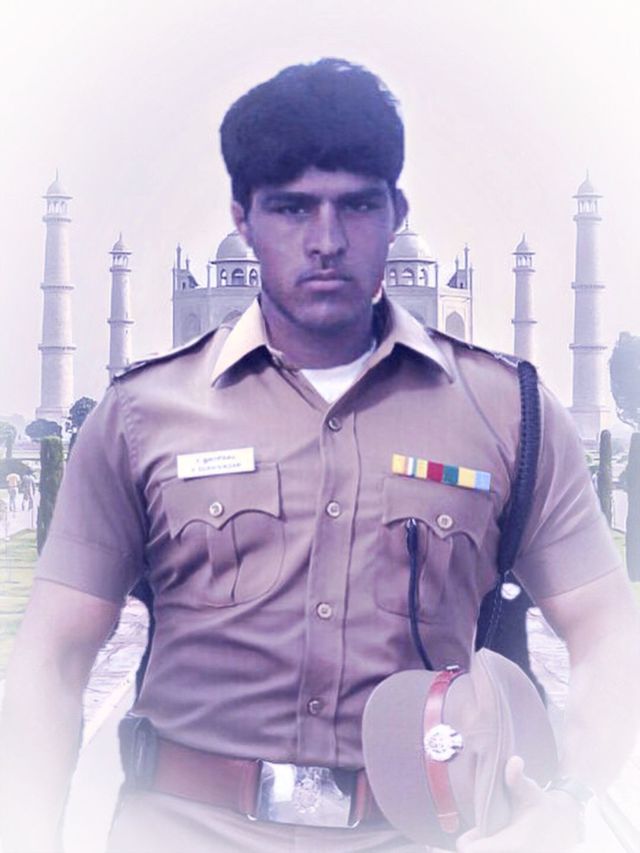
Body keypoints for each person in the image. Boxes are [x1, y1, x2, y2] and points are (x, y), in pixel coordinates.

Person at [1, 58, 639, 853]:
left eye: (357, 206)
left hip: (416, 831)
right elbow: (54, 656)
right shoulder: (141, 415)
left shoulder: (505, 411)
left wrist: (572, 798)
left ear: (396, 213)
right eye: (292, 207)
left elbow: (608, 626)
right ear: (243, 218)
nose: (327, 241)